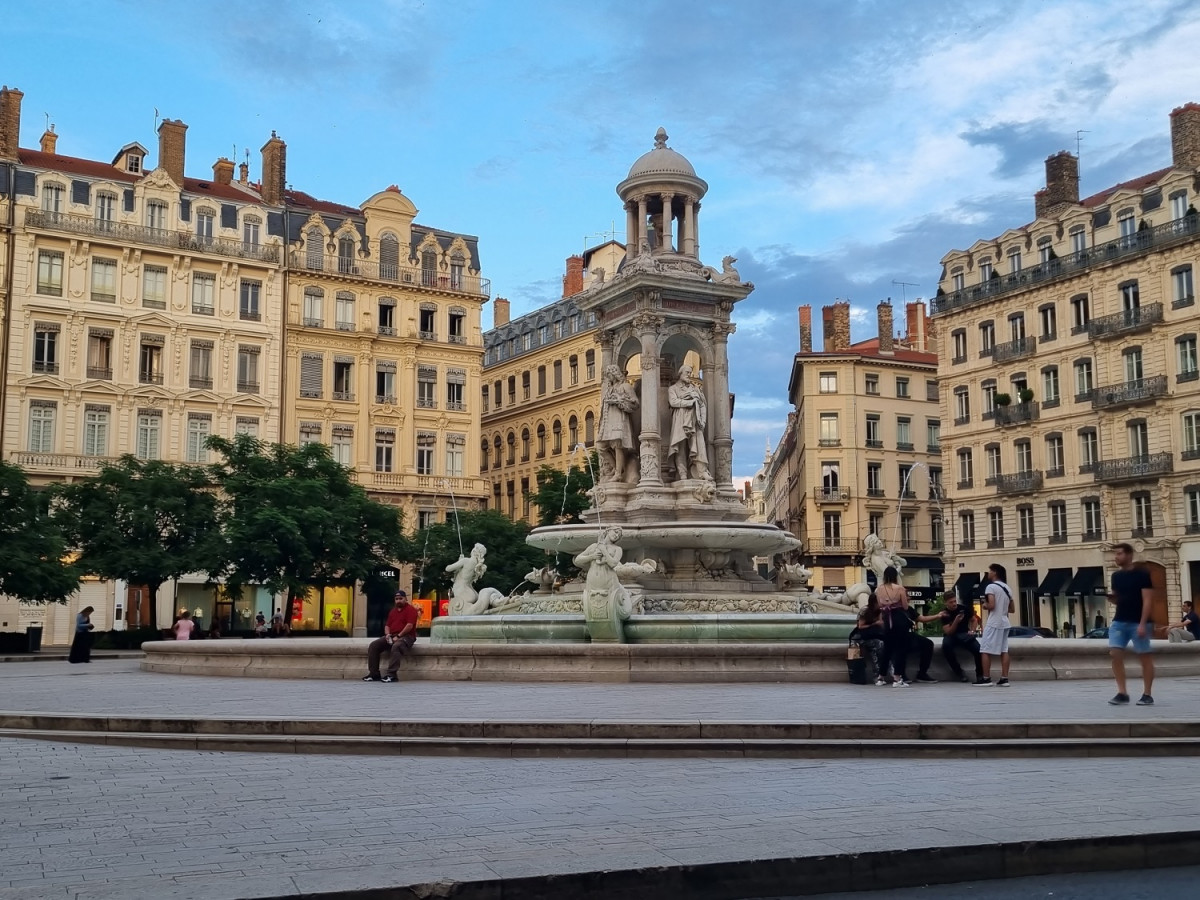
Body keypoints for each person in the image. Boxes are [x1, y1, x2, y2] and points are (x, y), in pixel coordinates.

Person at [1107, 543, 1155, 705]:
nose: (1116, 557)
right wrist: (1113, 599)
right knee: (1115, 653)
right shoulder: (1116, 576)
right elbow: (1118, 598)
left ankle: (1147, 694)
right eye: (1116, 554)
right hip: (1119, 620)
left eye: (1119, 554)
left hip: (1138, 622)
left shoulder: (1142, 574)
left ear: (1129, 555)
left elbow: (1147, 600)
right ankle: (1122, 692)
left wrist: (1142, 624)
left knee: (1144, 657)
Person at [919, 593, 983, 683]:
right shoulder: (944, 614)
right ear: (946, 603)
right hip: (951, 636)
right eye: (951, 602)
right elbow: (949, 631)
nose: (954, 604)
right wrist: (956, 621)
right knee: (946, 647)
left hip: (964, 634)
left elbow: (974, 620)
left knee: (978, 649)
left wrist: (972, 631)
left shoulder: (963, 608)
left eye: (955, 601)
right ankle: (959, 673)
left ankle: (980, 675)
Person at [363, 591, 419, 683]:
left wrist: (398, 636)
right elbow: (387, 625)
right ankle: (374, 674)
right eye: (396, 599)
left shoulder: (411, 610)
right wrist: (387, 635)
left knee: (396, 646)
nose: (398, 601)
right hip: (392, 635)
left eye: (401, 598)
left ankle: (392, 675)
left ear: (406, 599)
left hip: (407, 637)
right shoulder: (393, 611)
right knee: (374, 645)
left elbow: (409, 625)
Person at [597, 364, 639, 482]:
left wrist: (620, 401)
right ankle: (617, 469)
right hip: (607, 423)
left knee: (618, 446)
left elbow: (635, 403)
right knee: (600, 447)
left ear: (614, 374)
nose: (608, 378)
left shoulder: (625, 386)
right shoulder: (609, 389)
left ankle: (618, 474)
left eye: (609, 375)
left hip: (619, 420)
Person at [667, 364, 710, 480]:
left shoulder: (694, 389)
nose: (689, 376)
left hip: (694, 419)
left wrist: (703, 420)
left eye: (690, 373)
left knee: (699, 444)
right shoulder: (673, 389)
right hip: (679, 419)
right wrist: (689, 402)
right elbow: (673, 402)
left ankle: (702, 471)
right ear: (680, 374)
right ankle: (682, 474)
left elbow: (702, 404)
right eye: (687, 373)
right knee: (679, 446)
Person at [974, 564, 1012, 686]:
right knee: (1004, 650)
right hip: (1005, 621)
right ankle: (1004, 678)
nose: (988, 573)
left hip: (994, 622)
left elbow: (991, 605)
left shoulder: (991, 587)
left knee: (985, 649)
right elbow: (1012, 609)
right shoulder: (1007, 588)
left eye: (990, 571)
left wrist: (984, 605)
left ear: (995, 572)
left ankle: (986, 678)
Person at [875, 566, 910, 687]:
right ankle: (897, 678)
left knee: (887, 649)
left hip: (887, 618)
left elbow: (879, 605)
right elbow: (905, 607)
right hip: (899, 618)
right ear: (896, 576)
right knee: (900, 649)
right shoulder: (900, 589)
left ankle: (881, 677)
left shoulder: (879, 589)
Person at [849, 593, 886, 685]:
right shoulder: (865, 610)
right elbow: (860, 626)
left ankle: (878, 676)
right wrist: (875, 624)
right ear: (874, 602)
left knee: (878, 648)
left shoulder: (879, 611)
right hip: (859, 637)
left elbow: (881, 624)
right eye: (880, 601)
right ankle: (873, 676)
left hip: (872, 636)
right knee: (877, 646)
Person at [904, 607, 938, 683]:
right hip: (898, 636)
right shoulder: (893, 609)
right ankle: (900, 673)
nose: (909, 599)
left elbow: (922, 619)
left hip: (910, 635)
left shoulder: (908, 609)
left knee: (928, 644)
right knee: (900, 646)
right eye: (906, 597)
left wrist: (938, 616)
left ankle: (922, 674)